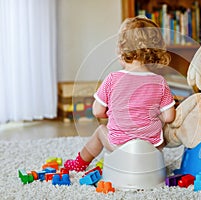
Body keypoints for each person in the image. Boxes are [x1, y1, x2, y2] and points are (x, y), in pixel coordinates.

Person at [64, 16, 176, 172]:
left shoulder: (112, 79)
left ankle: (79, 163)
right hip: (151, 147)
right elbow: (169, 117)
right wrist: (154, 115)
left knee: (100, 132)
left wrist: (115, 113)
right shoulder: (159, 81)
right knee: (162, 130)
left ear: (122, 51)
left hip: (118, 146)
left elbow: (97, 111)